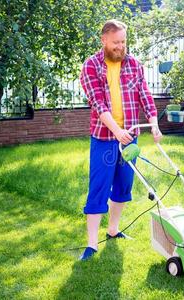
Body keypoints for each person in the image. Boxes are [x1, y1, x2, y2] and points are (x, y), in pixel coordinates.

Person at [79, 19, 162, 260]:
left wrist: (154, 123)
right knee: (98, 188)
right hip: (104, 137)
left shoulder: (134, 64)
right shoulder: (91, 66)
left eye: (123, 41)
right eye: (116, 42)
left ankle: (113, 230)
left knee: (124, 185)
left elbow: (145, 95)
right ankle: (92, 244)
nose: (120, 46)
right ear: (104, 40)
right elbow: (97, 102)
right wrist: (116, 131)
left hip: (130, 136)